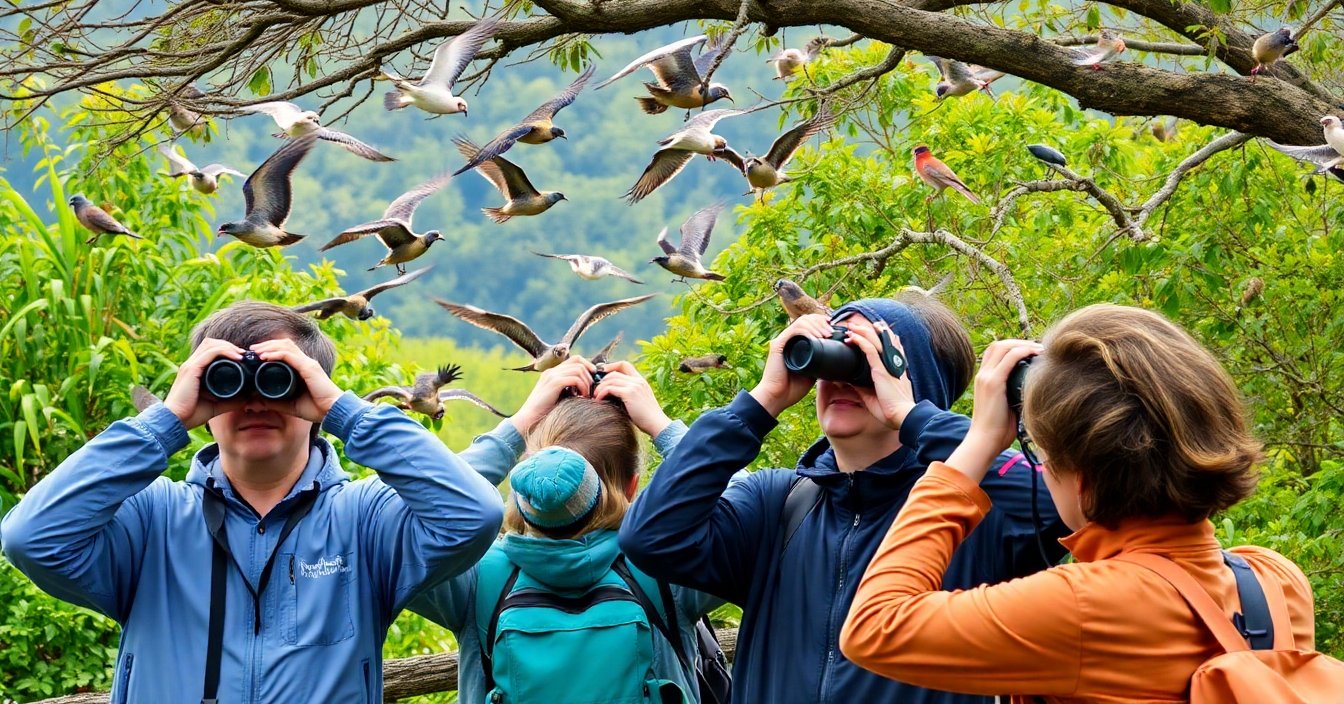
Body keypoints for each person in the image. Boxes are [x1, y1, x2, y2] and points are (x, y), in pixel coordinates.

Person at [0, 301, 504, 703]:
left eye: (280, 381)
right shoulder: (150, 518)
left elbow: (473, 516)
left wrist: (343, 412)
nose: (255, 401)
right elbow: (30, 537)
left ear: (313, 388)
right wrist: (163, 424)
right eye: (227, 381)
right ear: (197, 388)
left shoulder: (365, 520)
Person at [840, 303, 1317, 700]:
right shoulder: (1274, 579)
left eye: (1044, 460)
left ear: (1082, 480)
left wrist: (980, 441)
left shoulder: (1083, 604)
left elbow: (874, 627)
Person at [620, 290, 1067, 703]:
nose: (840, 378)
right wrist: (761, 401)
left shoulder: (970, 511)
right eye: (833, 354)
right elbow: (650, 537)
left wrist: (913, 418)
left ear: (919, 384)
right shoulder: (778, 503)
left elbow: (1062, 503)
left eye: (867, 361)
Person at [410, 356, 721, 703]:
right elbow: (748, 511)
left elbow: (395, 518)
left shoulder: (476, 579)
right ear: (632, 487)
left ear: (524, 483)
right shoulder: (665, 567)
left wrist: (517, 425)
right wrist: (662, 426)